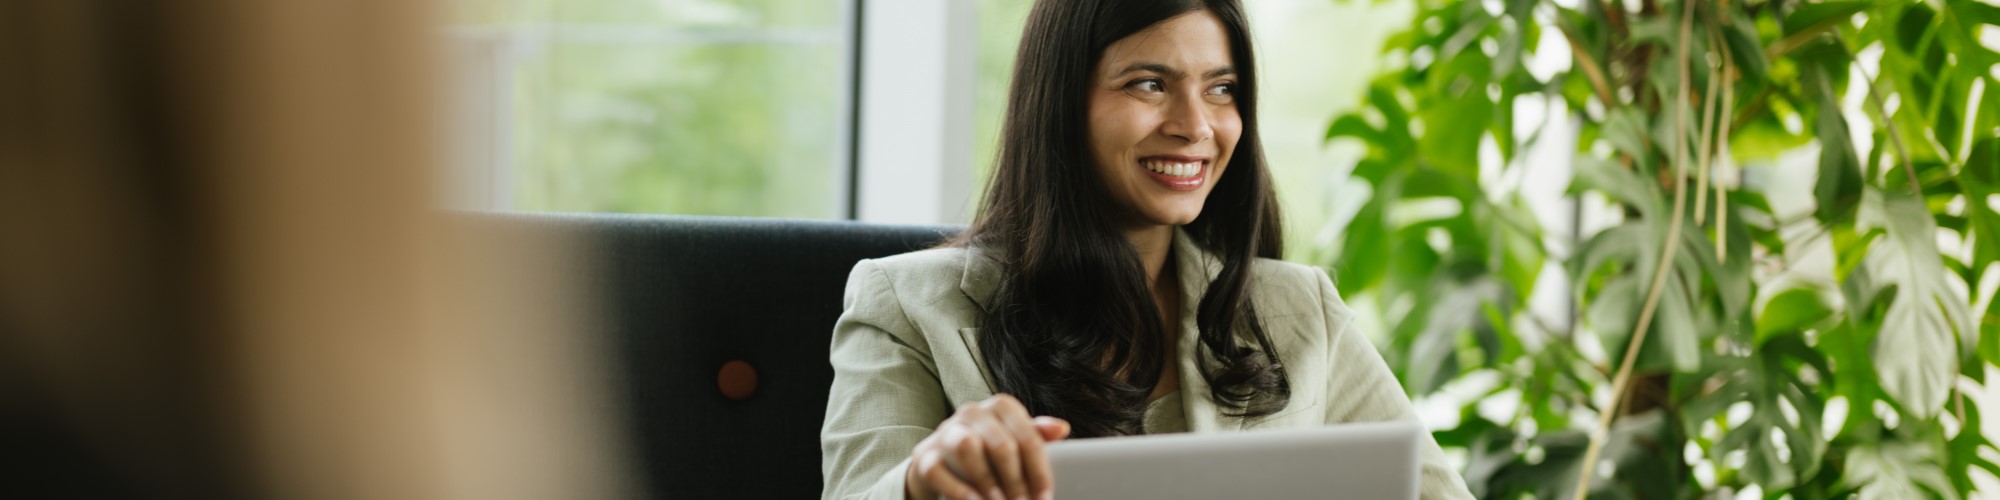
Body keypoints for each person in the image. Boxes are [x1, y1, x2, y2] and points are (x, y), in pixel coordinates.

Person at [821, 0, 1474, 498]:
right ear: (1061, 103)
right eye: (1150, 84)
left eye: (1221, 88)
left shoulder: (1301, 310)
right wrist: (923, 481)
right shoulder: (905, 306)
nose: (1195, 126)